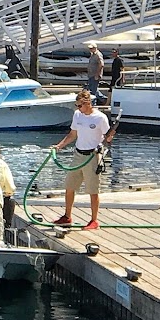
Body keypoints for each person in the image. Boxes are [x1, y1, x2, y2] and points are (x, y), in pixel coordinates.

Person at [51, 89, 116, 230]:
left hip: (92, 157)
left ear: (88, 103)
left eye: (80, 105)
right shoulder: (77, 115)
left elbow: (107, 138)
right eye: (77, 105)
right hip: (78, 155)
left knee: (93, 190)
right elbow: (73, 134)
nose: (78, 108)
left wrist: (110, 138)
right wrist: (59, 146)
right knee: (69, 186)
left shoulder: (100, 118)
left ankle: (94, 220)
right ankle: (67, 216)